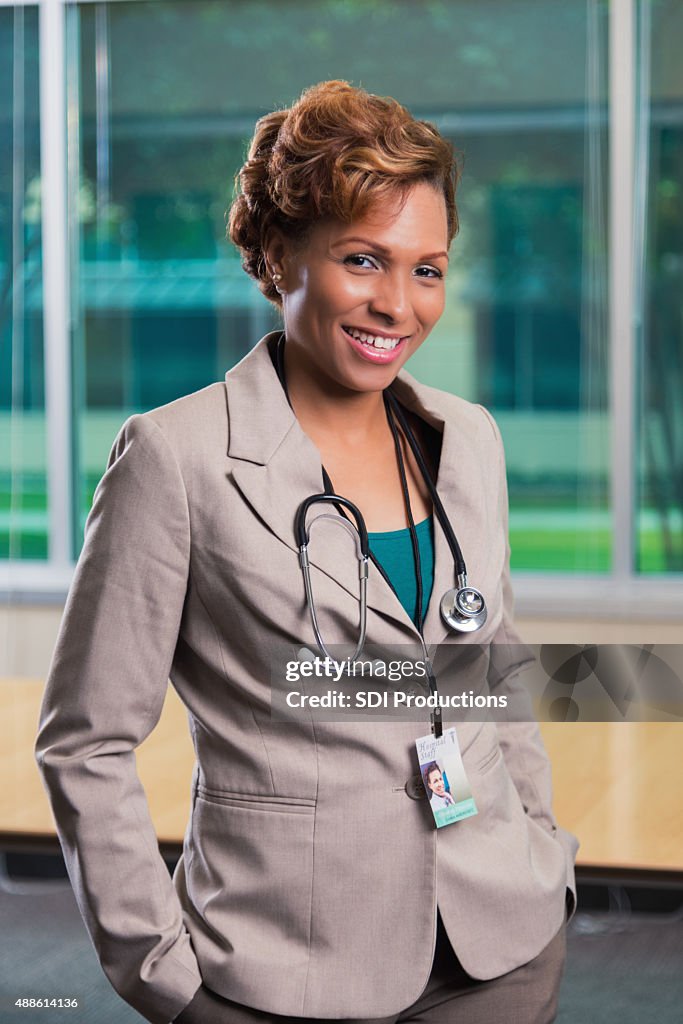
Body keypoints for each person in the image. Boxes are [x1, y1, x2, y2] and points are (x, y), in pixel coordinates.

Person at [35, 80, 578, 1024]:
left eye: (427, 269)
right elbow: (85, 741)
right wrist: (165, 979)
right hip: (285, 971)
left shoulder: (468, 438)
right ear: (279, 253)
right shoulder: (176, 459)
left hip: (501, 944)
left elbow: (491, 672)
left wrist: (544, 854)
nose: (397, 305)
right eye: (362, 260)